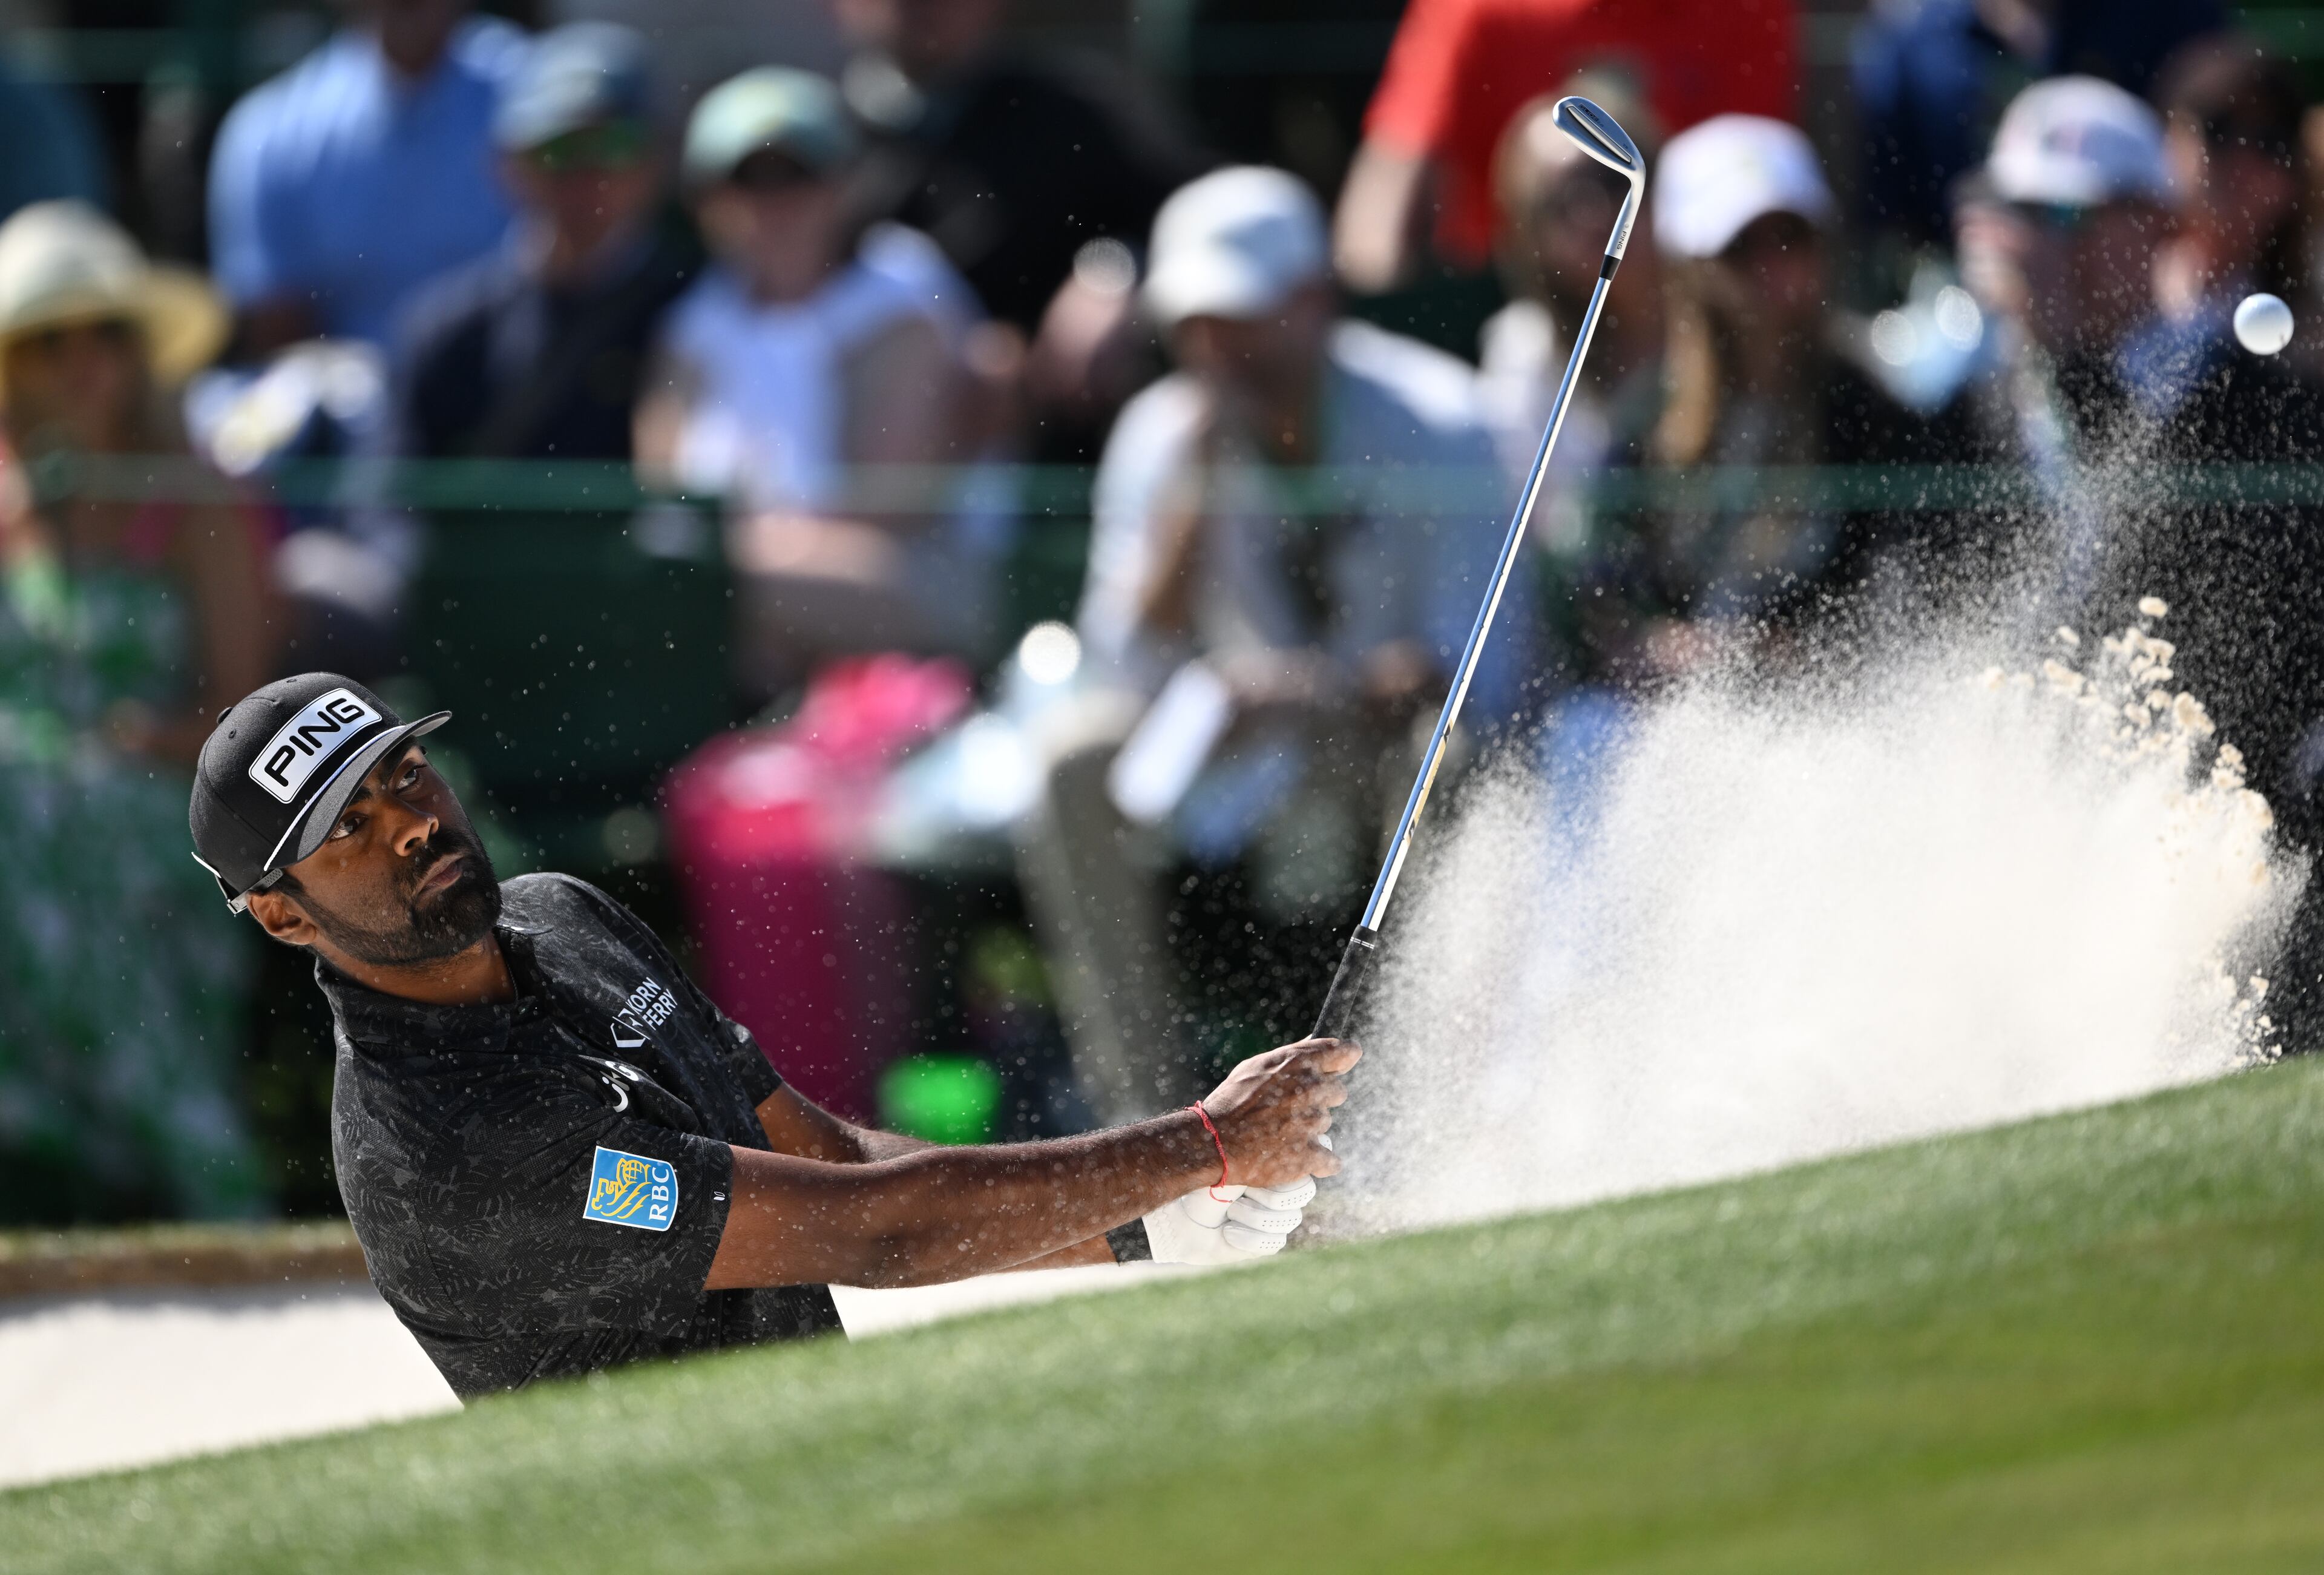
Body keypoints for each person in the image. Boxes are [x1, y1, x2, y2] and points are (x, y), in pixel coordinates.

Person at [186, 672, 1348, 1397]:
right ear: (284, 912)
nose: (410, 824)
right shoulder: (447, 1147)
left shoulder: (562, 916)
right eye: (351, 826)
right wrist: (1205, 1143)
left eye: (404, 774)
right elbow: (871, 1233)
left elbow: (828, 1160)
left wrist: (1145, 1226)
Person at [1017, 166, 1534, 1125]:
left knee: (1449, 763)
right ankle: (1146, 1130)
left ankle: (1416, 1114)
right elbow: (1121, 667)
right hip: (1234, 755)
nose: (1222, 349)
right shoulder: (1163, 433)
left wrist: (1319, 690)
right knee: (1069, 764)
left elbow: (1480, 673)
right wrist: (1189, 508)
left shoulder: (1444, 422)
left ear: (1316, 300)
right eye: (1199, 324)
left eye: (1245, 317)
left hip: (1376, 749)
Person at [0, 202, 278, 1222]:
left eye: (106, 332)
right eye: (47, 340)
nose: (82, 361)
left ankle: (193, 1156)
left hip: (169, 810)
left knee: (40, 816)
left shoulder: (193, 499)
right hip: (28, 808)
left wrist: (127, 741)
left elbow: (244, 723)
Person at [635, 67, 1003, 696]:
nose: (772, 203)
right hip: (743, 604)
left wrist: (729, 554)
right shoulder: (693, 324)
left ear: (845, 185)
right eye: (746, 179)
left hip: (922, 587)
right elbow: (666, 501)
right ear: (706, 203)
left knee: (696, 587)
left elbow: (888, 508)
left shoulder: (907, 300)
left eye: (797, 175)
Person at [1587, 115, 1975, 683]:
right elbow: (1602, 591)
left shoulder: (1874, 415)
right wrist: (1659, 645)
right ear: (1691, 269)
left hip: (1824, 714)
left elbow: (1905, 589)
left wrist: (1780, 653)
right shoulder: (1647, 417)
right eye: (1742, 248)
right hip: (1665, 713)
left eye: (1792, 239)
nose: (1775, 270)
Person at [1333, 0, 1797, 292]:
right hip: (1514, 309)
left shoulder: (1745, 10)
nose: (1595, 215)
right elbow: (1389, 179)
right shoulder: (1472, 9)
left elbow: (1771, 186)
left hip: (1694, 304)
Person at [390, 23, 697, 462]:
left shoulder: (701, 313)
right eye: (560, 150)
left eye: (613, 146)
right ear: (509, 167)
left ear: (656, 162)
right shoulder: (444, 330)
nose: (588, 177)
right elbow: (389, 504)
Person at [206, 0, 527, 356]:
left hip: (516, 390)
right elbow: (277, 328)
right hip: (351, 400)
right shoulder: (267, 132)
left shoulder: (538, 95)